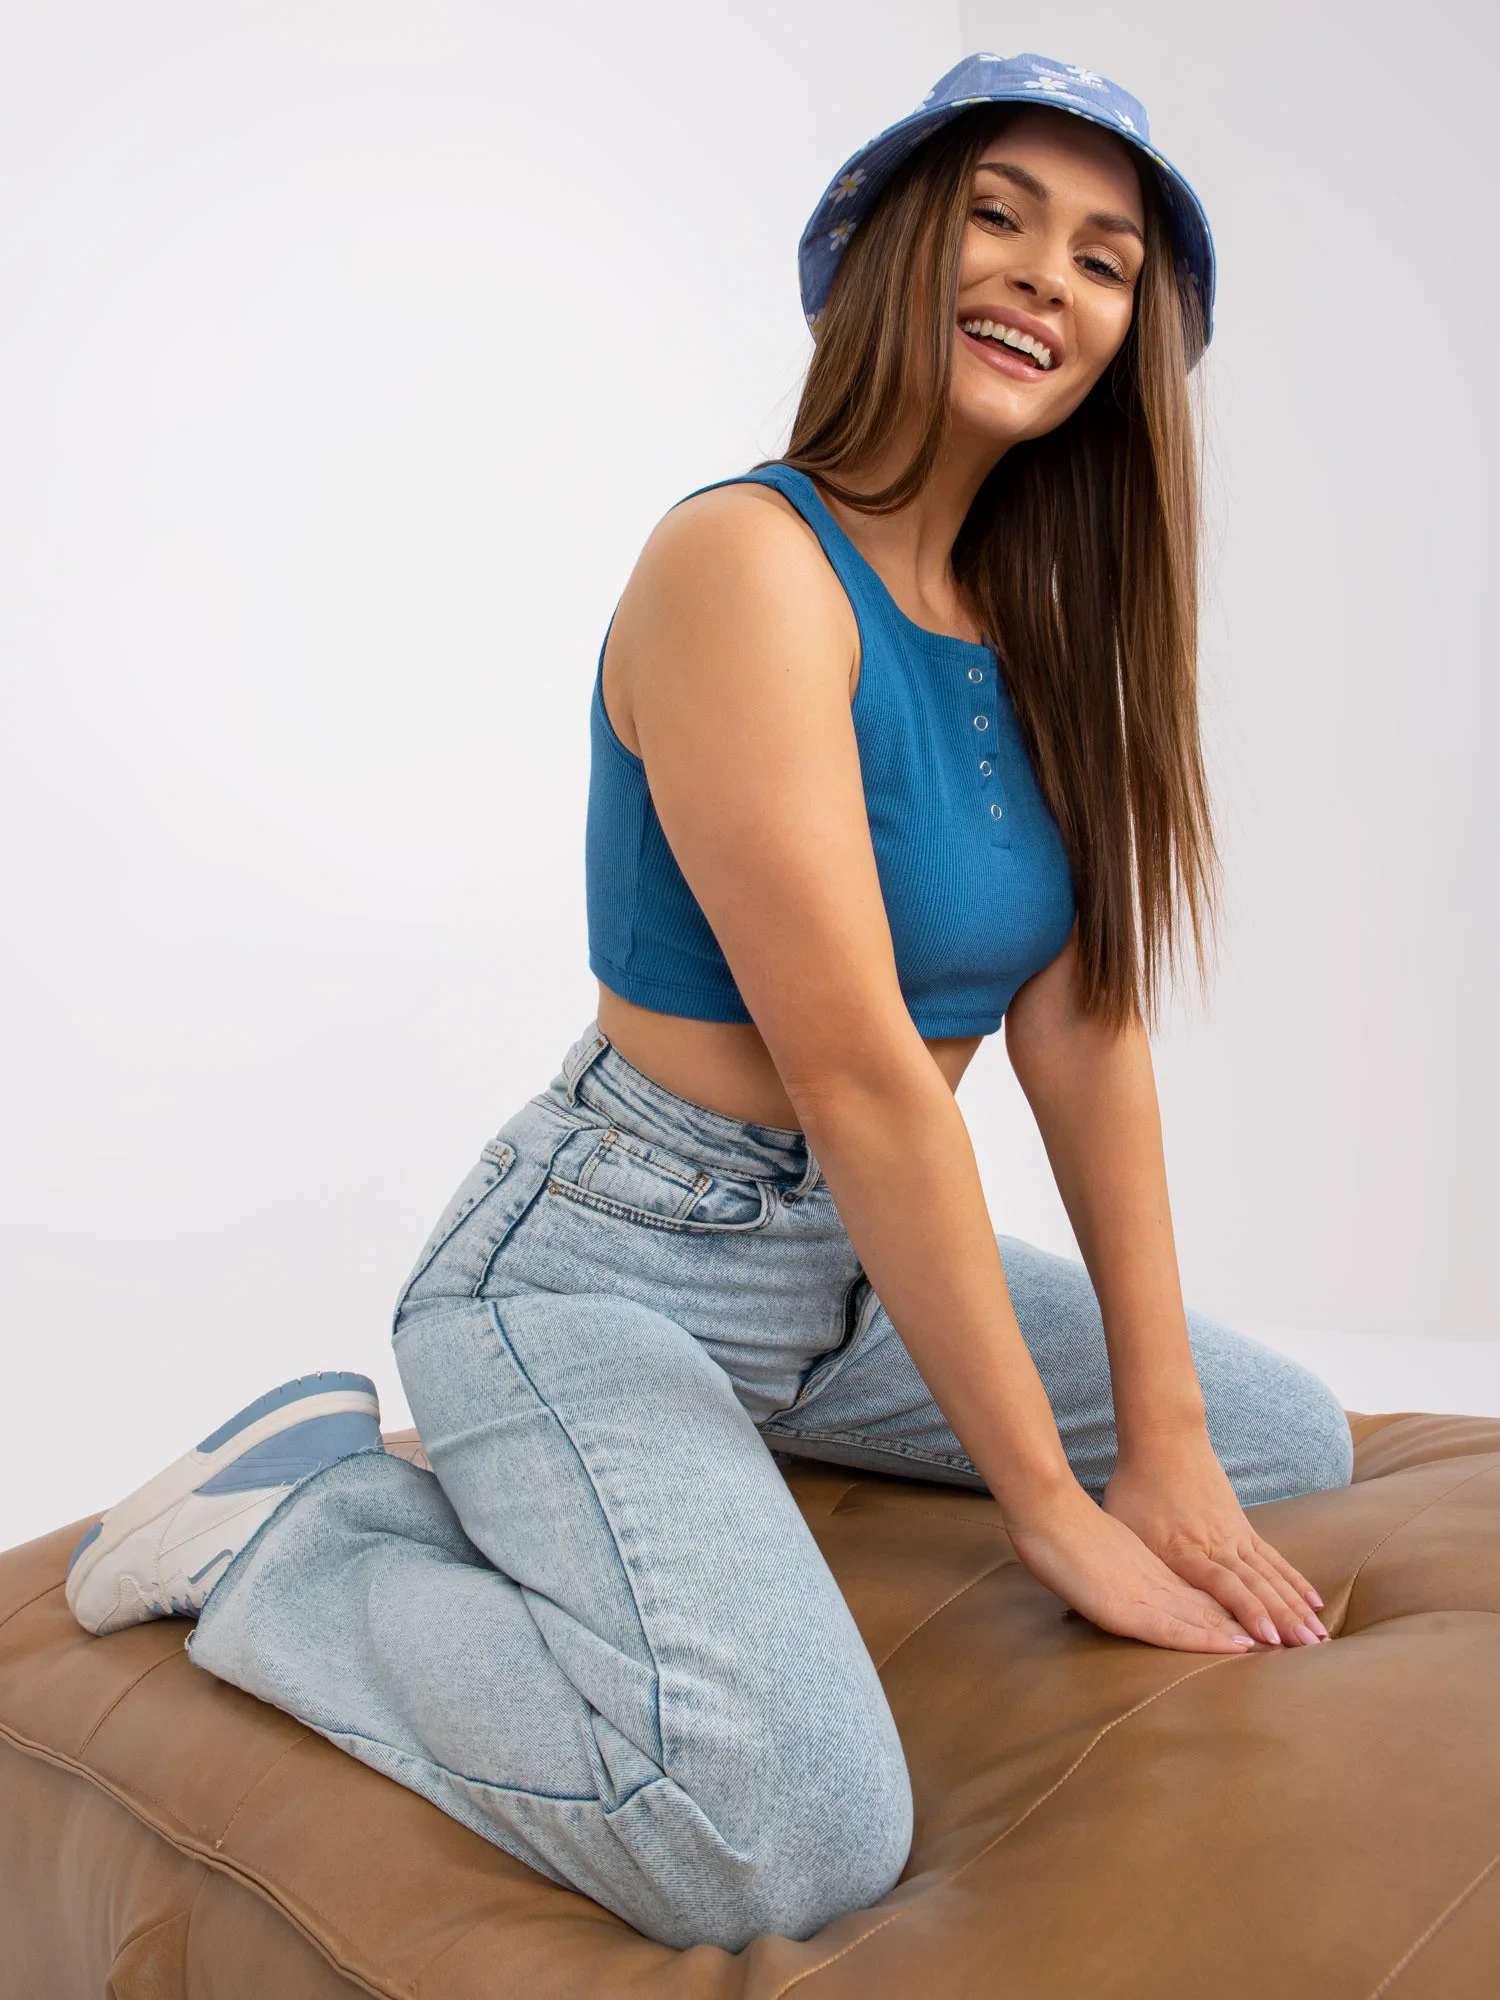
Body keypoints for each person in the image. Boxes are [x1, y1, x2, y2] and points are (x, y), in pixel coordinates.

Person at [64, 53, 1354, 1954]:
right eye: (996, 216)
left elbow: (1086, 1035)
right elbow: (862, 1077)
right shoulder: (745, 563)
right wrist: (1051, 1510)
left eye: (1103, 258)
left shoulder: (1043, 624)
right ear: (892, 251)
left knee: (1282, 1441)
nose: (1043, 277)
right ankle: (288, 1534)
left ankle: (722, 1489)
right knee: (784, 1831)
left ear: (1130, 342)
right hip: (605, 1268)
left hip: (847, 1282)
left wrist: (1158, 1440)